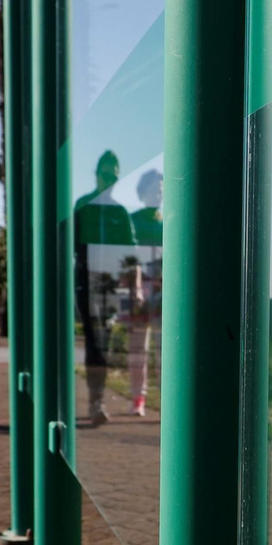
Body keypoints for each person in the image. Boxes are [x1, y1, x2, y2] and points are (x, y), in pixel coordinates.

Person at [73, 150, 133, 424]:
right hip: (86, 283)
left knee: (103, 344)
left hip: (110, 286)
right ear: (96, 174)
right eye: (106, 174)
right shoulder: (82, 206)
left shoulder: (120, 213)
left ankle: (97, 401)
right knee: (93, 343)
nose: (109, 180)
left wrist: (135, 289)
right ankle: (94, 400)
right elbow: (69, 246)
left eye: (114, 175)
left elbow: (132, 256)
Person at [126, 169, 164, 417]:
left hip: (164, 294)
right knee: (138, 350)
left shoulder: (169, 219)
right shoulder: (134, 219)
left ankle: (166, 402)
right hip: (141, 293)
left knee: (165, 350)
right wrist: (136, 288)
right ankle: (138, 398)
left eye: (162, 188)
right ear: (144, 191)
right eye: (155, 188)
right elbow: (131, 258)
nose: (159, 192)